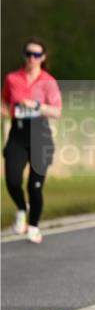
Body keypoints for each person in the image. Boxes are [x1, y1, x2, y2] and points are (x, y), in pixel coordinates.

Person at [2, 38, 62, 244]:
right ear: (24, 56)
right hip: (18, 135)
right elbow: (5, 105)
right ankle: (21, 208)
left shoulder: (49, 81)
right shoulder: (12, 78)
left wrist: (37, 105)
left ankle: (34, 226)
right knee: (12, 180)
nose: (32, 58)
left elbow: (57, 111)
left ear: (43, 58)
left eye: (36, 55)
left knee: (34, 188)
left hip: (40, 136)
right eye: (28, 54)